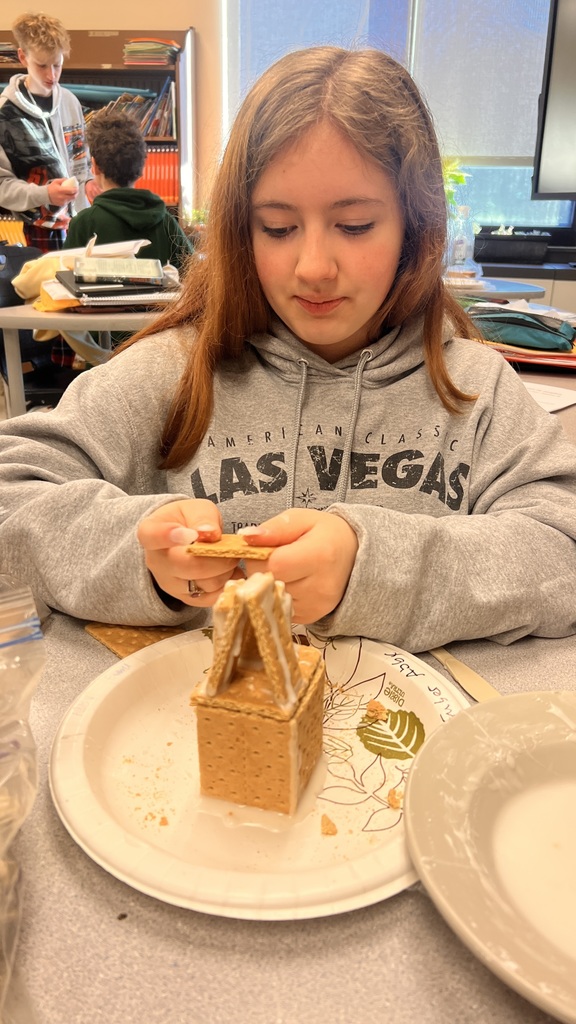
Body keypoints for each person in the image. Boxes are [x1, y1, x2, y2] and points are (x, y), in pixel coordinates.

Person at [1, 46, 576, 653]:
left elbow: (563, 546)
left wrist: (372, 568)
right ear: (239, 228)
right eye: (277, 228)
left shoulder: (474, 389)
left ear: (415, 225)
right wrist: (135, 551)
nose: (314, 268)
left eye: (354, 226)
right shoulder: (173, 372)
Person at [0, 12, 97, 253]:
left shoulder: (70, 102)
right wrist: (45, 194)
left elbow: (81, 162)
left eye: (57, 65)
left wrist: (90, 182)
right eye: (41, 65)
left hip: (81, 223)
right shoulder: (5, 114)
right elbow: (2, 187)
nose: (51, 75)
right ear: (23, 57)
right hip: (39, 231)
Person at [63, 110, 193, 272]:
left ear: (94, 167)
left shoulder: (83, 224)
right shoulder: (166, 223)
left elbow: (65, 283)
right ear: (141, 167)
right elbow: (195, 278)